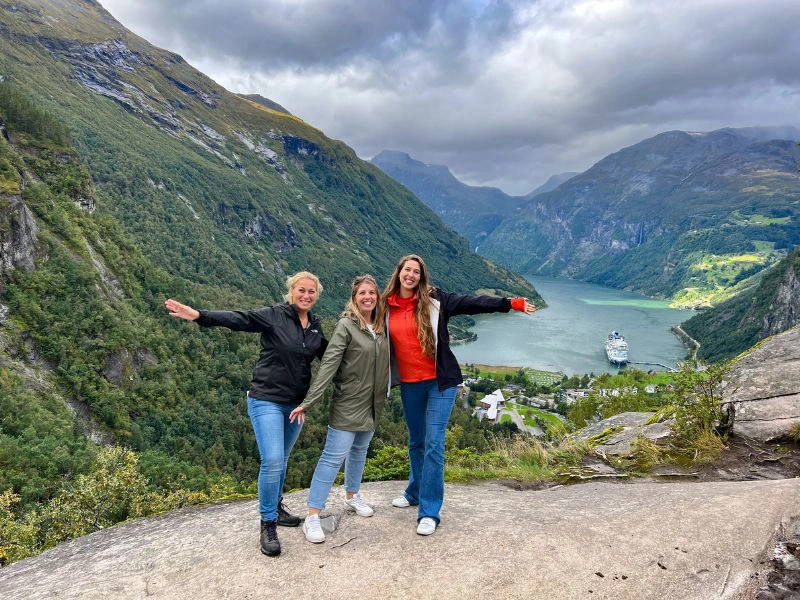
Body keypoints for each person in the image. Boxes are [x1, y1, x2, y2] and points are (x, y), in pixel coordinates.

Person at [164, 272, 327, 557]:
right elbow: (239, 319)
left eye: (311, 292)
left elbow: (332, 358)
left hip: (296, 405)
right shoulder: (274, 316)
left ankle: (276, 505)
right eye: (301, 290)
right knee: (273, 459)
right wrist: (200, 315)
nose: (306, 295)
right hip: (265, 400)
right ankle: (268, 523)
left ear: (317, 295)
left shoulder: (314, 326)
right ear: (291, 291)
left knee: (283, 459)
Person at [382, 254, 535, 536]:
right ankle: (414, 491)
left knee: (434, 443)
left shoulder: (435, 300)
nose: (411, 275)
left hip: (441, 382)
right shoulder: (386, 306)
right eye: (407, 270)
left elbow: (472, 303)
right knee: (416, 441)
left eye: (416, 271)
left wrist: (510, 304)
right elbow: (363, 320)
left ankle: (429, 511)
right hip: (409, 383)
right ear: (399, 272)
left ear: (421, 276)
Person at [289, 275, 390, 544]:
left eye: (372, 293)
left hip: (372, 405)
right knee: (333, 458)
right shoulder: (346, 326)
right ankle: (312, 515)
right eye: (362, 293)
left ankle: (352, 495)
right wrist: (308, 402)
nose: (368, 297)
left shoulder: (380, 326)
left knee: (359, 452)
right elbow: (329, 365)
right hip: (348, 404)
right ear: (354, 298)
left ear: (377, 296)